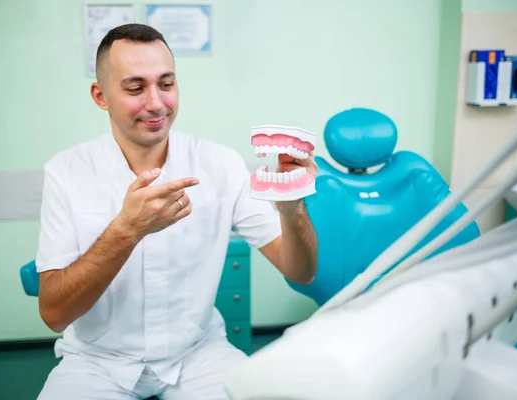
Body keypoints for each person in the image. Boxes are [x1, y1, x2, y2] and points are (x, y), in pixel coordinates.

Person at [35, 23, 318, 400]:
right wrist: (127, 230)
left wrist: (292, 209)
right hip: (95, 362)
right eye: (135, 88)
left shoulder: (220, 164)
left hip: (199, 355)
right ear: (100, 96)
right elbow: (54, 313)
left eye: (166, 84)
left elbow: (300, 271)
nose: (155, 103)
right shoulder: (65, 172)